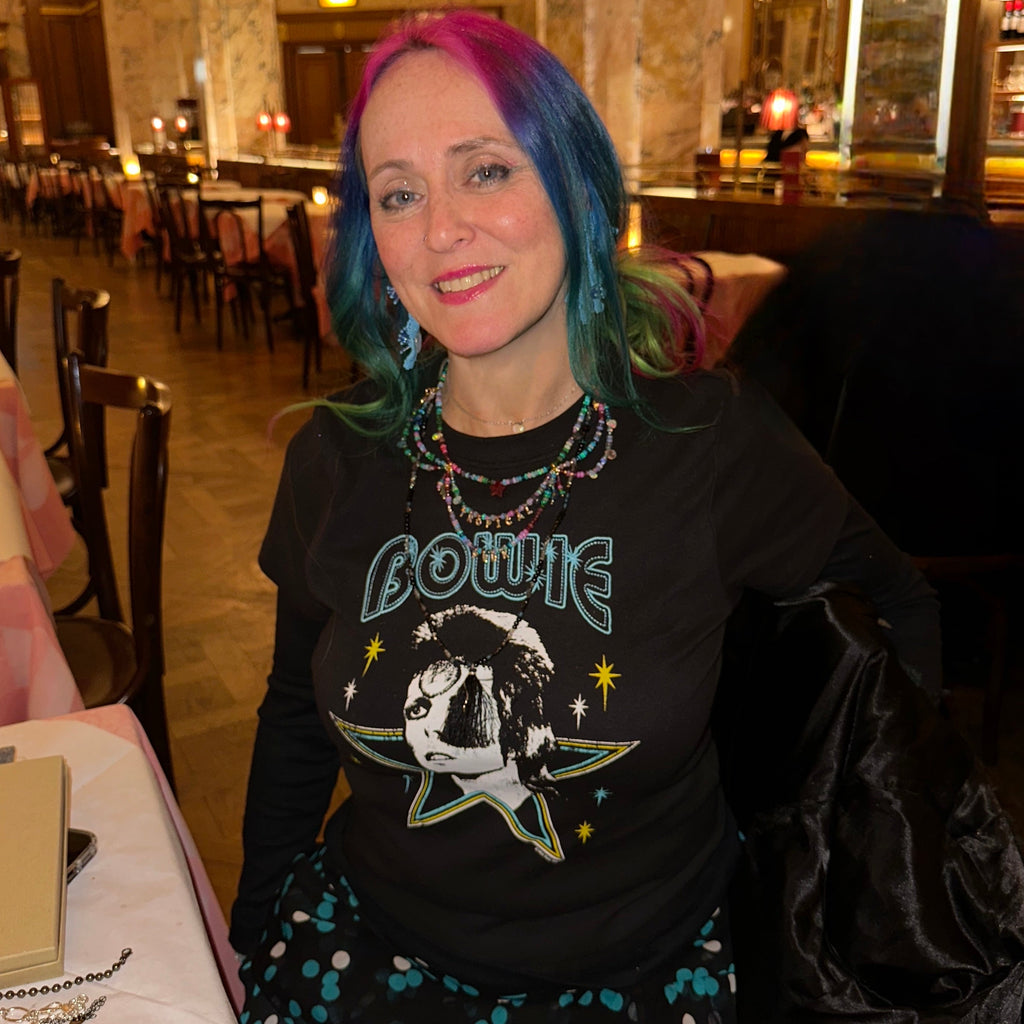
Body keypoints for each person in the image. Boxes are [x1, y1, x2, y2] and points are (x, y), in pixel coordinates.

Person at [230, 11, 941, 1023]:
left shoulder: (711, 445)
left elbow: (897, 609)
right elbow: (296, 710)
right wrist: (256, 924)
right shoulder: (332, 460)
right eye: (399, 193)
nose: (441, 230)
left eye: (486, 170)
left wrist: (855, 864)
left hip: (653, 969)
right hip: (372, 950)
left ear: (578, 187)